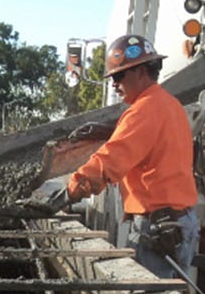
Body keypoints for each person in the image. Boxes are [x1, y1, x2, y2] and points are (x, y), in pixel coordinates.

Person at [49, 33, 197, 280]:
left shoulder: (143, 110)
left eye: (119, 76)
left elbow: (110, 162)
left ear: (141, 71)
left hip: (158, 227)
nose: (114, 84)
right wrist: (111, 130)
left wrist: (67, 194)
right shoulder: (170, 105)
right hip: (180, 222)